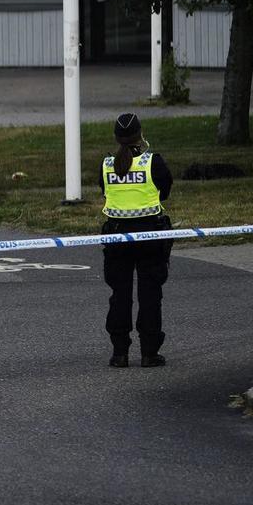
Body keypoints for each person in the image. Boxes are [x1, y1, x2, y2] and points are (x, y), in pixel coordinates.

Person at [99, 113, 173, 368]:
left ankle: (119, 353)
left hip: (117, 237)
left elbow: (104, 192)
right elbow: (164, 191)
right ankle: (149, 353)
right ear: (140, 135)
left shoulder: (107, 164)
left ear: (116, 137)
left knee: (120, 295)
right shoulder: (153, 162)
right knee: (150, 295)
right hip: (150, 237)